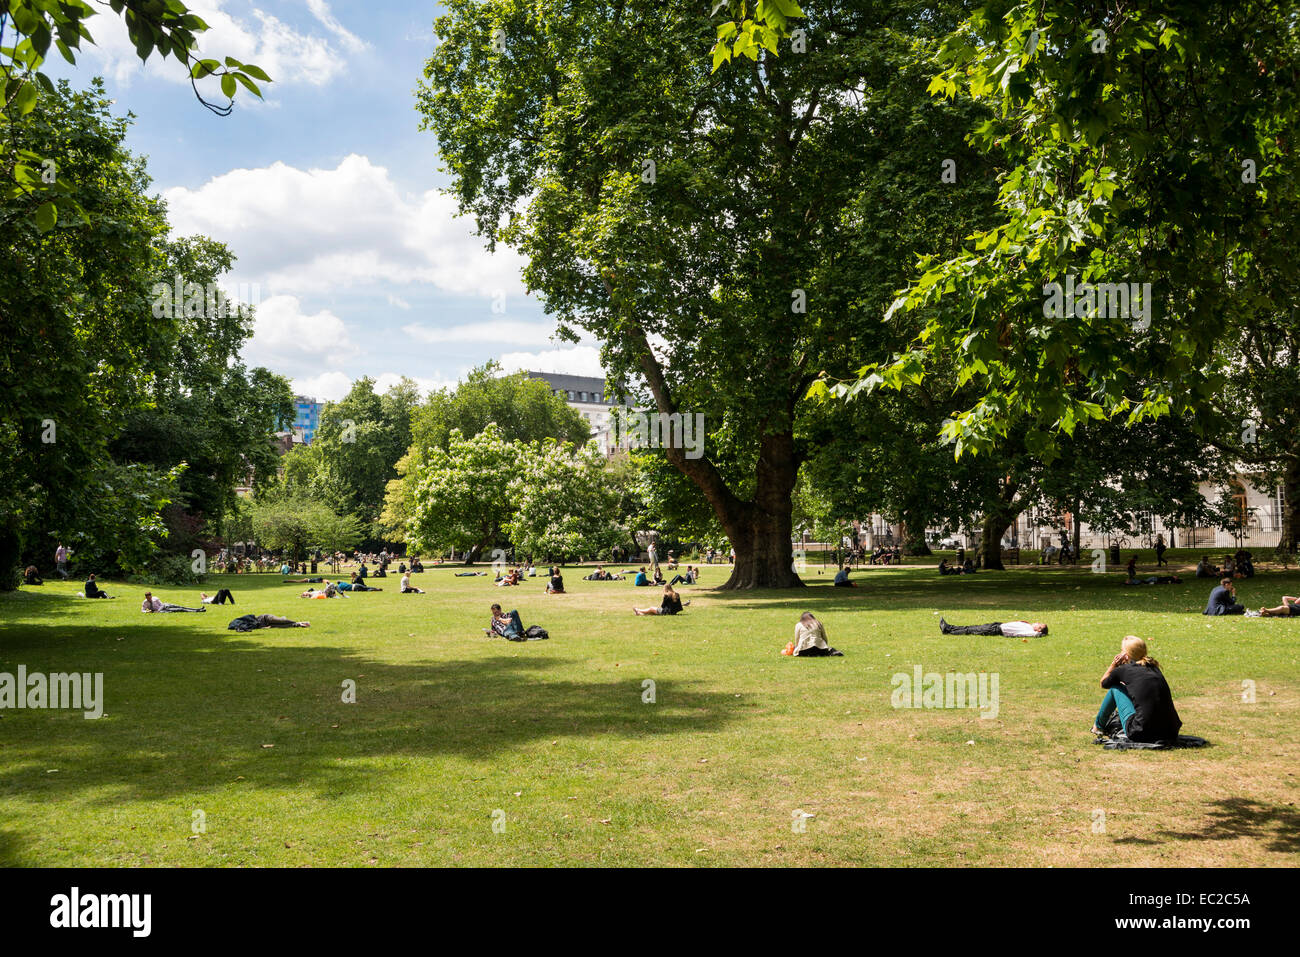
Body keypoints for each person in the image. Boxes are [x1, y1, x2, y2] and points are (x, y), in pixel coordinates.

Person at [1090, 635, 1182, 743]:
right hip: (1170, 731)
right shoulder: (1154, 668)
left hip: (1140, 731)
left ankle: (1098, 726)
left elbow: (1104, 683)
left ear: (1126, 655)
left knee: (1116, 688)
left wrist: (1113, 665)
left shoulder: (1123, 670)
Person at [940, 618, 1047, 636]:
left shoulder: (1030, 631)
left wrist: (1040, 633)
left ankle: (948, 630)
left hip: (997, 629)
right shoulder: (1027, 625)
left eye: (1039, 624)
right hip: (998, 625)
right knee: (973, 627)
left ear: (1038, 629)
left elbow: (1037, 635)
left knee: (971, 630)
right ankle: (950, 627)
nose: (1037, 622)